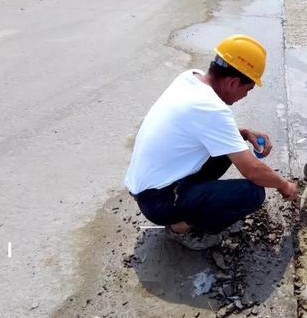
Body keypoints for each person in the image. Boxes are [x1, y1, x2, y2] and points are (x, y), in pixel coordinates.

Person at [125, 34, 297, 250]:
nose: (245, 96)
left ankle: (194, 203)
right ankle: (180, 227)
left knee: (230, 150)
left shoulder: (190, 78)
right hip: (158, 201)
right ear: (233, 82)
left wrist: (242, 132)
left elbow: (200, 127)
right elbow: (252, 171)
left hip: (149, 185)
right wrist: (284, 185)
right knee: (253, 193)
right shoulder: (211, 107)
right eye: (248, 89)